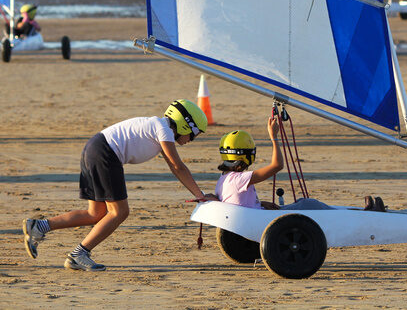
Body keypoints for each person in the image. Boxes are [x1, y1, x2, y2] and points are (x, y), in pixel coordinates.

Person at [23, 99, 212, 272]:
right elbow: (177, 166)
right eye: (194, 135)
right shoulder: (164, 130)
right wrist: (200, 195)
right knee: (120, 212)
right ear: (186, 125)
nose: (191, 140)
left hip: (94, 148)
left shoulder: (158, 126)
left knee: (95, 214)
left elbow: (174, 166)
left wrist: (198, 193)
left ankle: (40, 226)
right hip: (106, 154)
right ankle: (78, 255)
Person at [215, 116, 333, 210]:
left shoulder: (224, 178)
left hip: (257, 214)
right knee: (308, 204)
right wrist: (274, 137)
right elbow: (277, 165)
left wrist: (260, 203)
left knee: (301, 202)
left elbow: (238, 201)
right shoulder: (239, 179)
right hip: (262, 220)